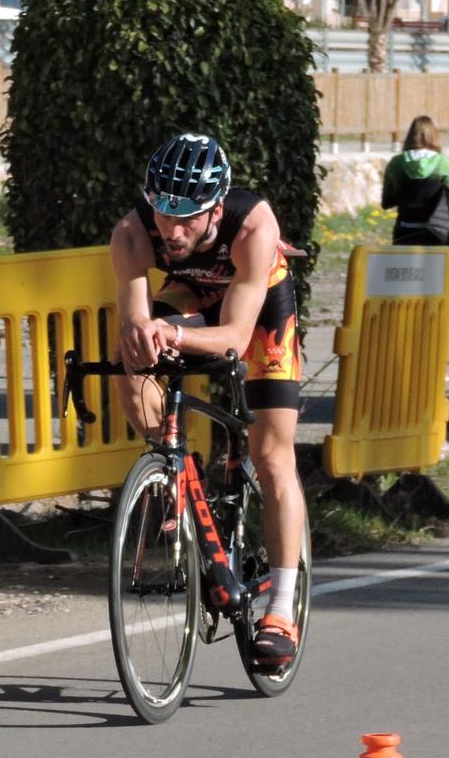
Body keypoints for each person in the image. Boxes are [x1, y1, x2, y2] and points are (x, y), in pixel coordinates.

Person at [110, 133, 307, 666]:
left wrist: (169, 336)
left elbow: (232, 337)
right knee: (129, 365)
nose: (172, 231)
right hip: (193, 292)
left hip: (257, 305)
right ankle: (177, 469)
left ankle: (282, 611)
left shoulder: (252, 225)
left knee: (271, 455)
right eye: (163, 213)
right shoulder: (133, 233)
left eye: (188, 219)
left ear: (216, 208)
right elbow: (135, 322)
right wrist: (143, 335)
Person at [381, 114, 449, 248]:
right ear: (434, 136)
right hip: (436, 233)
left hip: (405, 231)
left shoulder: (395, 164)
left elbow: (387, 202)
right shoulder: (442, 163)